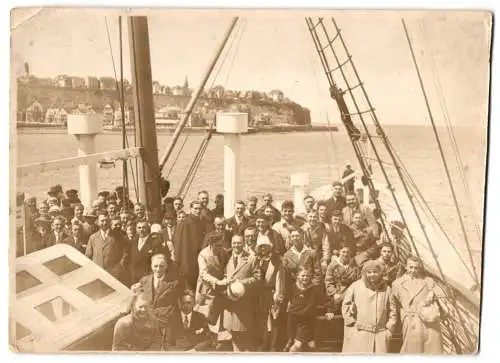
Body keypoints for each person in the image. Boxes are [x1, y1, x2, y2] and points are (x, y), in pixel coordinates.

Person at [341, 260, 397, 353]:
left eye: (375, 272)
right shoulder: (356, 286)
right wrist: (351, 325)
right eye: (369, 272)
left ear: (380, 273)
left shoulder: (387, 289)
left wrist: (389, 330)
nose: (372, 274)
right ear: (365, 273)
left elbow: (393, 311)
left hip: (380, 335)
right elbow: (345, 306)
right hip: (360, 334)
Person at [391, 256, 442, 354]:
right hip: (411, 319)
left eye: (416, 268)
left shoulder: (428, 281)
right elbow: (395, 304)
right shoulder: (397, 284)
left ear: (420, 268)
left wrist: (432, 294)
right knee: (412, 350)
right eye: (411, 267)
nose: (413, 270)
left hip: (429, 320)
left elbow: (439, 295)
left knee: (431, 350)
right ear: (406, 267)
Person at [131, 253, 184, 348]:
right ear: (151, 266)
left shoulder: (175, 282)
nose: (158, 269)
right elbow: (138, 297)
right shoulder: (144, 280)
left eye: (161, 266)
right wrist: (134, 291)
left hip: (166, 322)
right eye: (155, 266)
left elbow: (182, 298)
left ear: (166, 266)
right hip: (147, 321)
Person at [223, 235, 259, 352]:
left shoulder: (251, 258)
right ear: (231, 244)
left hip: (244, 300)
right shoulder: (225, 257)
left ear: (243, 244)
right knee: (231, 331)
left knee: (243, 332)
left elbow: (257, 277)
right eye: (234, 243)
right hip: (228, 301)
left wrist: (241, 283)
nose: (236, 245)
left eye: (239, 243)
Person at [253, 235, 286, 352]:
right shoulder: (257, 260)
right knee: (262, 320)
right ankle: (264, 343)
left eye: (265, 246)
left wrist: (278, 294)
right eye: (261, 247)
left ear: (269, 247)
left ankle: (274, 345)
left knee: (274, 319)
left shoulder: (276, 261)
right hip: (260, 294)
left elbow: (279, 279)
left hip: (272, 293)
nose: (263, 249)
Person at [284, 267, 321, 352]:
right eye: (303, 276)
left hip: (306, 320)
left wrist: (329, 311)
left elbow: (322, 301)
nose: (305, 278)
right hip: (293, 319)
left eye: (307, 276)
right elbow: (289, 301)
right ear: (298, 276)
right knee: (302, 344)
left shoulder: (314, 289)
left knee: (302, 344)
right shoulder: (293, 287)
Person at [85, 212, 128, 284]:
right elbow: (88, 256)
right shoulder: (93, 238)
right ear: (97, 222)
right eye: (102, 221)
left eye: (106, 220)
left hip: (114, 275)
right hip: (98, 274)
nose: (104, 223)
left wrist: (119, 267)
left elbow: (125, 253)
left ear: (109, 221)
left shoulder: (118, 236)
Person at [324, 245, 360, 316]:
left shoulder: (354, 265)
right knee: (335, 301)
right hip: (337, 291)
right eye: (343, 252)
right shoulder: (333, 265)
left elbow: (358, 281)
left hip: (350, 291)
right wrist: (334, 293)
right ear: (339, 253)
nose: (345, 254)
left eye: (348, 252)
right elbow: (328, 281)